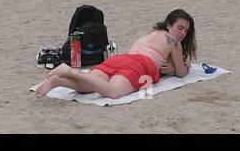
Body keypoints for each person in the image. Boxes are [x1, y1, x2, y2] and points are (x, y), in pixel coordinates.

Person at [36, 10, 196, 99]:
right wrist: (181, 67)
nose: (182, 33)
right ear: (169, 25)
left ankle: (58, 82)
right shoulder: (173, 41)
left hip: (121, 59)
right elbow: (182, 73)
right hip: (139, 65)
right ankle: (69, 71)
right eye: (180, 27)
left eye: (186, 30)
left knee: (89, 87)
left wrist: (170, 68)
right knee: (114, 92)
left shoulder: (151, 33)